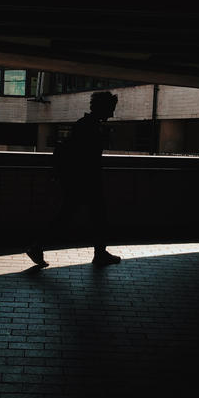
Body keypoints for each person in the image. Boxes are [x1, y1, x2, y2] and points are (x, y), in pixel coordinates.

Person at [27, 91, 121, 267]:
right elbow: (87, 158)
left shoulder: (84, 125)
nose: (112, 113)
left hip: (79, 181)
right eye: (111, 108)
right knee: (86, 217)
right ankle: (38, 247)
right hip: (86, 181)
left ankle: (38, 247)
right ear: (103, 108)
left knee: (72, 216)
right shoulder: (90, 127)